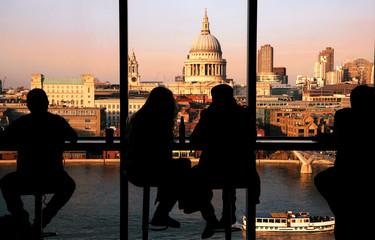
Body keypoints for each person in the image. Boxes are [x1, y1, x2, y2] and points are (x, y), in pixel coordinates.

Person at [0, 88, 77, 237]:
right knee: (69, 185)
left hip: (26, 177)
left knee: (5, 183)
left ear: (28, 105)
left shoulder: (21, 123)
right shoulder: (58, 121)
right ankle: (42, 220)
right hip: (53, 177)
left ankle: (22, 218)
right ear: (47, 104)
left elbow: (4, 138)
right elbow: (74, 137)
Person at [190, 84, 260, 239]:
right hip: (243, 171)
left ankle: (210, 219)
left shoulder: (209, 115)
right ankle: (228, 216)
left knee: (193, 178)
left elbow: (194, 140)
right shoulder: (243, 114)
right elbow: (252, 139)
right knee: (229, 177)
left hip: (213, 169)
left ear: (215, 99)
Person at [314, 85, 375, 239]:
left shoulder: (343, 116)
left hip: (344, 172)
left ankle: (340, 211)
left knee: (321, 180)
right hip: (364, 175)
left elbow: (339, 137)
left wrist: (323, 137)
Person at [124, 87, 190, 228]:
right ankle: (165, 212)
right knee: (183, 166)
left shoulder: (138, 117)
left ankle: (165, 212)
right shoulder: (159, 122)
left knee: (176, 170)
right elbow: (162, 155)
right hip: (146, 170)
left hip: (132, 169)